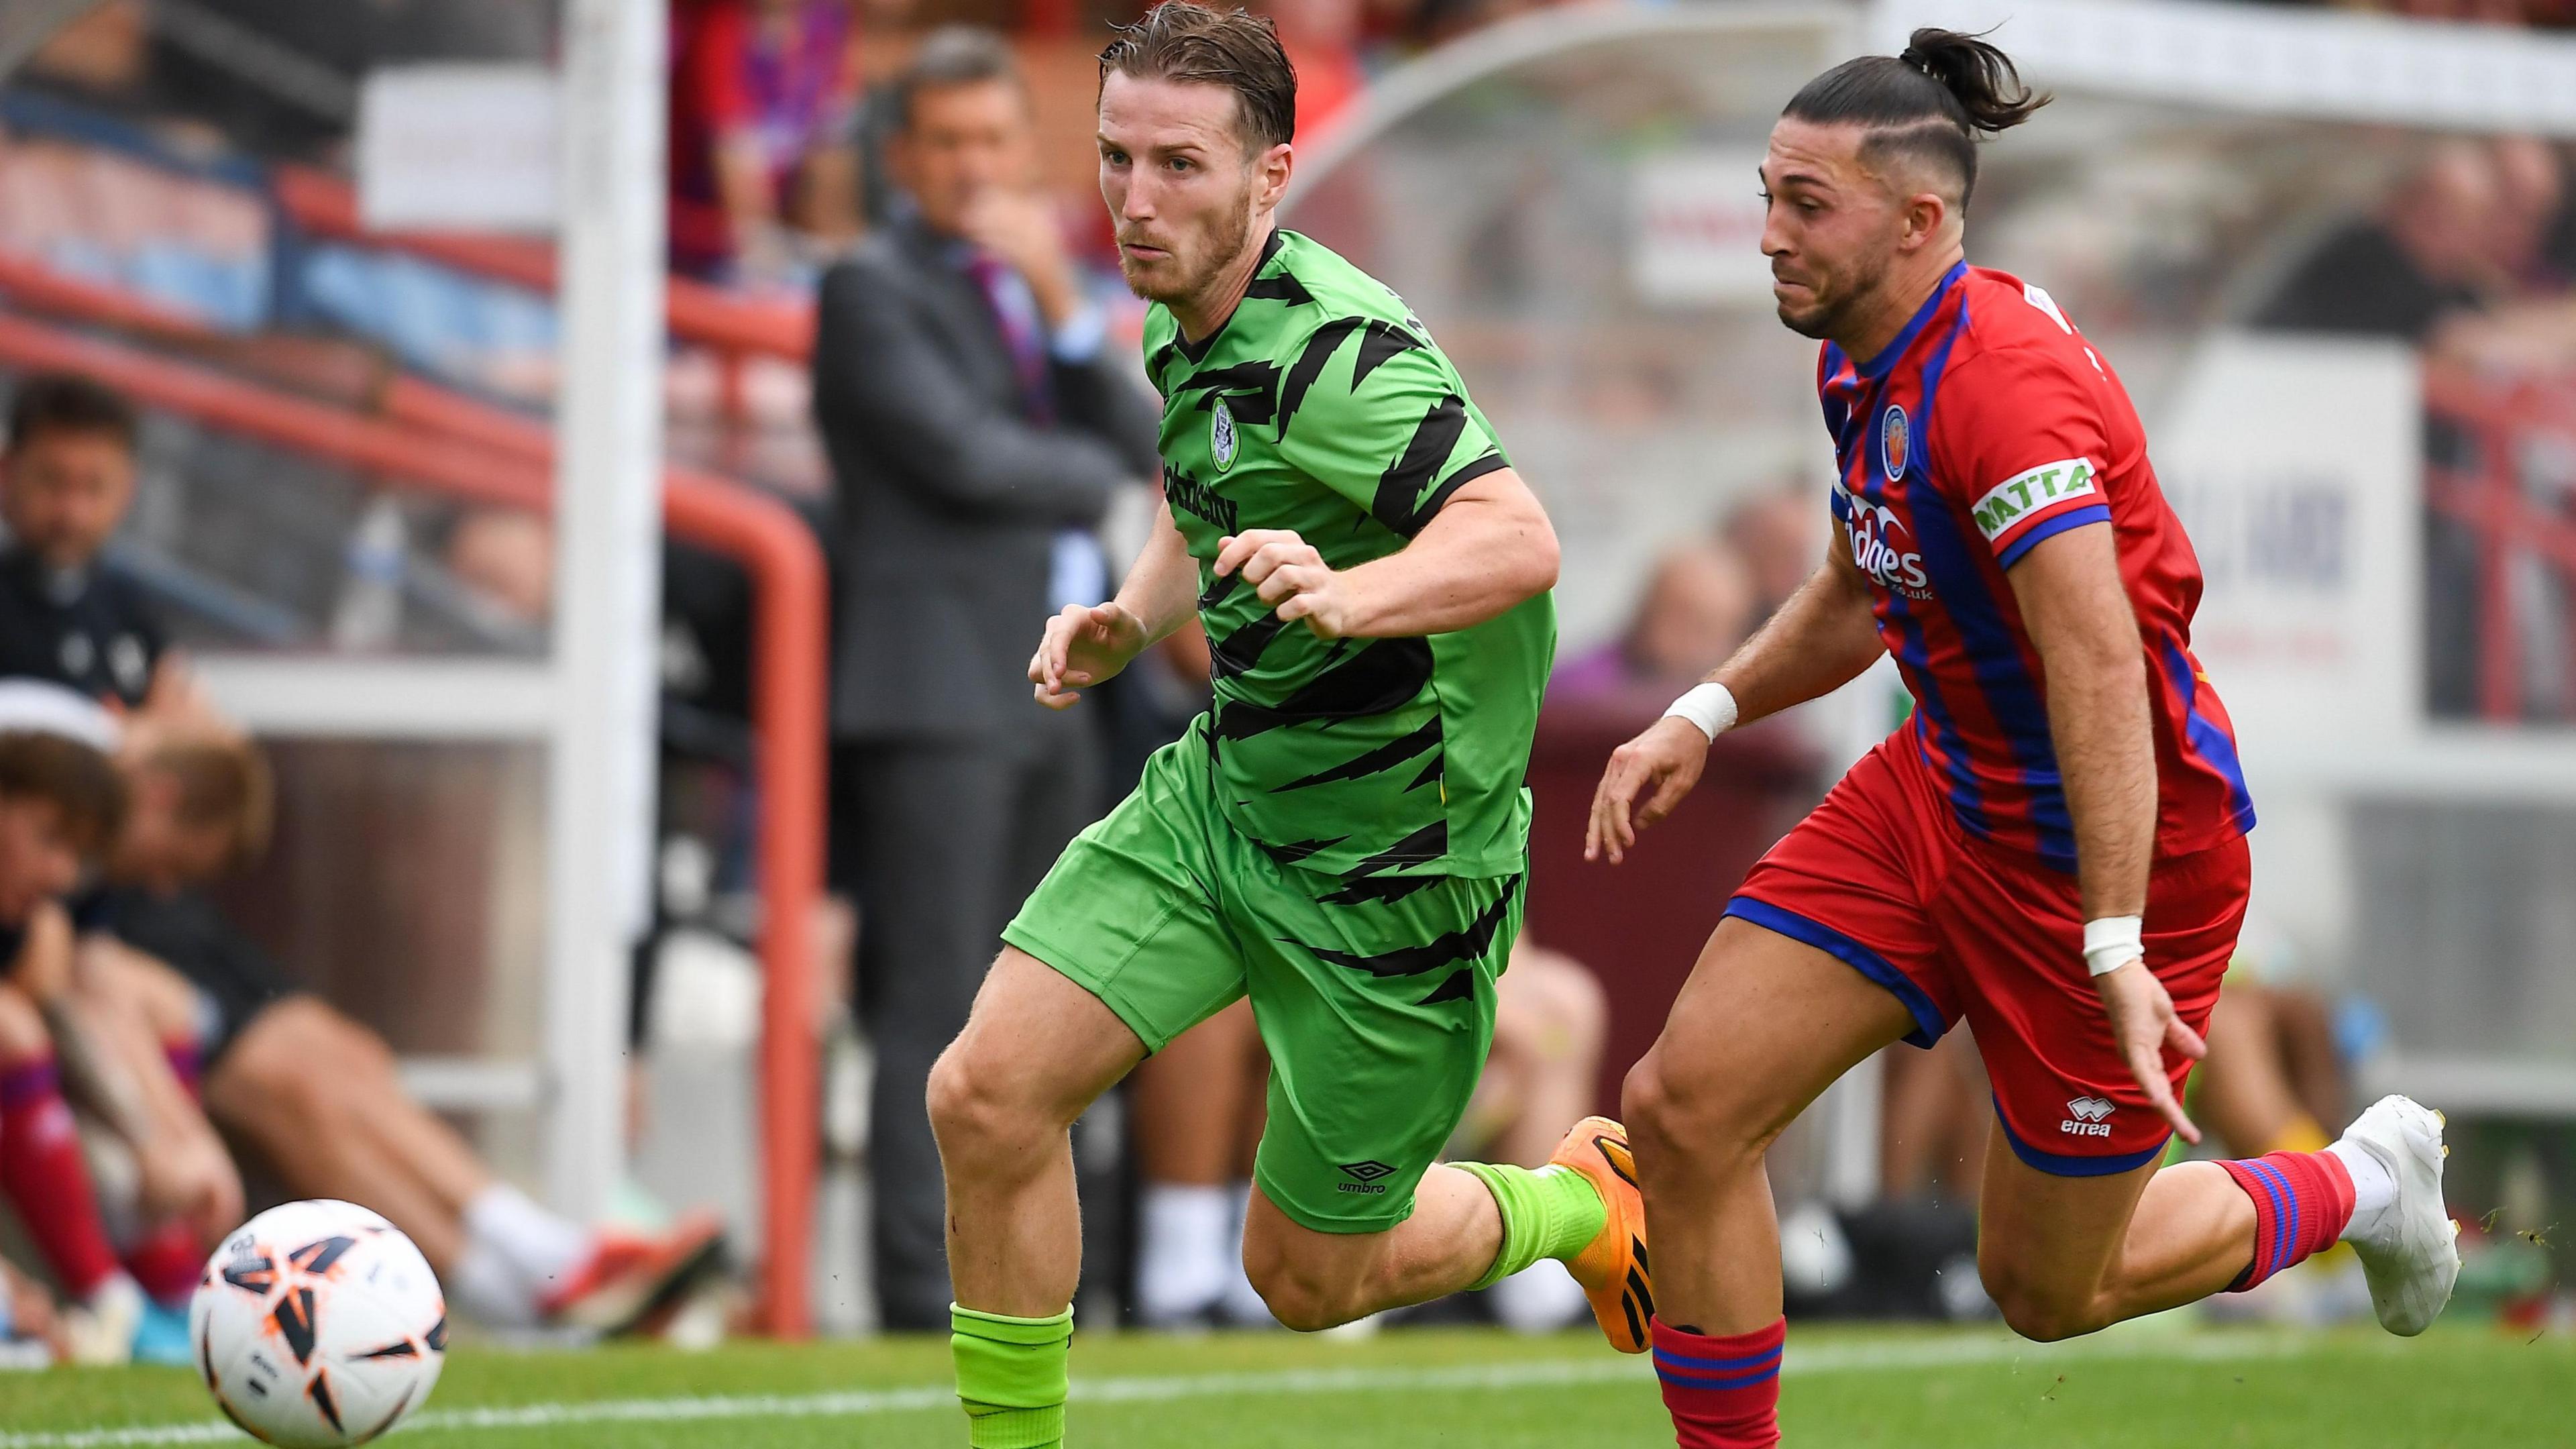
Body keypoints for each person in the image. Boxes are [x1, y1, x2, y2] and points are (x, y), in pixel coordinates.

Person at [1586, 34, 2460, 1447]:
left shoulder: (2003, 392)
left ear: (1920, 222)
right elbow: (1865, 583)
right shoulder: (1866, 351)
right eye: (1767, 197)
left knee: (2048, 1289)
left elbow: (2101, 669)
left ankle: (2356, 1185)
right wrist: (1704, 708)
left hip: (2116, 859)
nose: (1769, 237)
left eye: (1805, 206)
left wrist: (2112, 940)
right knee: (1683, 1113)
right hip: (1941, 795)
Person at [928, 7, 1644, 1445]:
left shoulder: (1345, 351)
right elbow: (1202, 488)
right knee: (987, 1098)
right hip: (1226, 800)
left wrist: (1354, 589)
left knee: (1306, 1278)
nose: (1136, 200)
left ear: (1270, 178)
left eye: (1180, 166)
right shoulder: (1177, 304)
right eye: (1117, 158)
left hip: (1393, 870)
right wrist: (1136, 610)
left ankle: (1576, 1199)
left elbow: (1517, 539)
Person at [809, 25, 1165, 1331]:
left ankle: (1070, 1284)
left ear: (1027, 148)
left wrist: (1073, 320)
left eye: (993, 140)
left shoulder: (1036, 283)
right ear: (901, 155)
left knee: (1063, 1000)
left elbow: (1150, 431)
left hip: (1053, 690)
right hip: (939, 692)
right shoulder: (869, 288)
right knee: (937, 1000)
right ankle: (915, 1299)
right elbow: (962, 458)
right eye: (946, 142)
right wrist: (1099, 478)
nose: (973, 165)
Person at [75, 718, 726, 1336]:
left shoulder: (122, 830)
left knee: (340, 1052)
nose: (165, 884)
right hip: (113, 979)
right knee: (293, 1089)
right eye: (172, 866)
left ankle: (539, 1256)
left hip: (154, 950)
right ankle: (518, 1293)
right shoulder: (68, 837)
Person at [667, 0, 865, 281]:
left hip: (772, 236)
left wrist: (845, 260)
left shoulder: (831, 17)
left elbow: (830, 161)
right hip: (694, 245)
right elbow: (744, 203)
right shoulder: (720, 24)